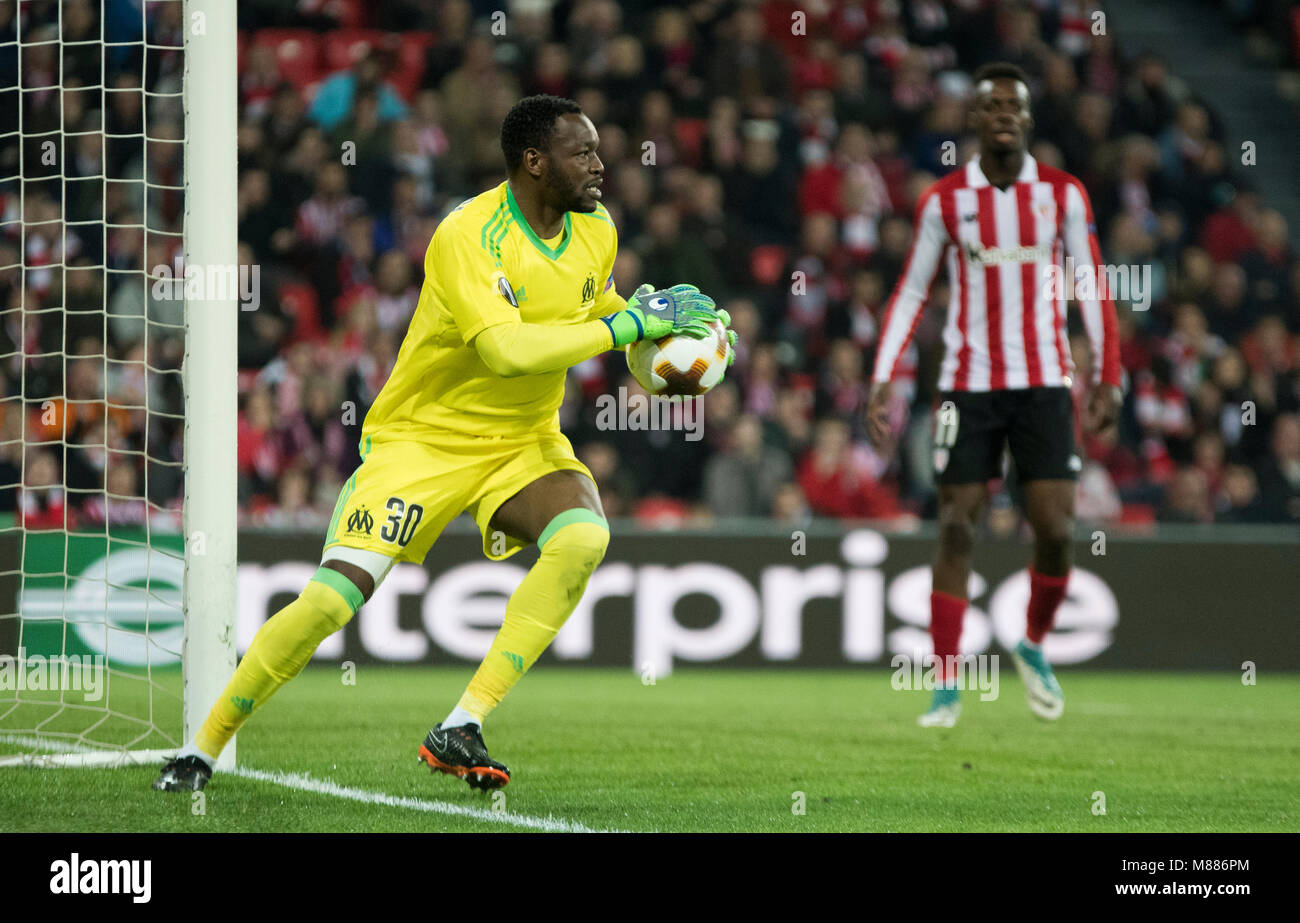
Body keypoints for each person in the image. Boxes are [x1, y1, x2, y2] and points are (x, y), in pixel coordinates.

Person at [154, 95, 735, 792]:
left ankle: (463, 722)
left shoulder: (596, 229)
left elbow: (595, 308)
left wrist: (664, 342)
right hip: (423, 442)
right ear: (534, 162)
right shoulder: (470, 234)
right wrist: (628, 327)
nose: (600, 164)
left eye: (598, 149)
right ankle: (203, 747)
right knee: (331, 602)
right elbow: (509, 351)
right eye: (582, 152)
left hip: (522, 439)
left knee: (583, 537)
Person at [865, 63, 1122, 727]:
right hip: (967, 384)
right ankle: (947, 682)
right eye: (992, 104)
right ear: (974, 120)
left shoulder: (1063, 195)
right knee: (956, 523)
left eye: (1015, 104)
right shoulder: (945, 201)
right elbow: (912, 291)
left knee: (1057, 530)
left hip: (1043, 382)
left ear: (1028, 119)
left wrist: (1110, 375)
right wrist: (884, 374)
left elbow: (1091, 284)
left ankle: (1033, 642)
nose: (1005, 113)